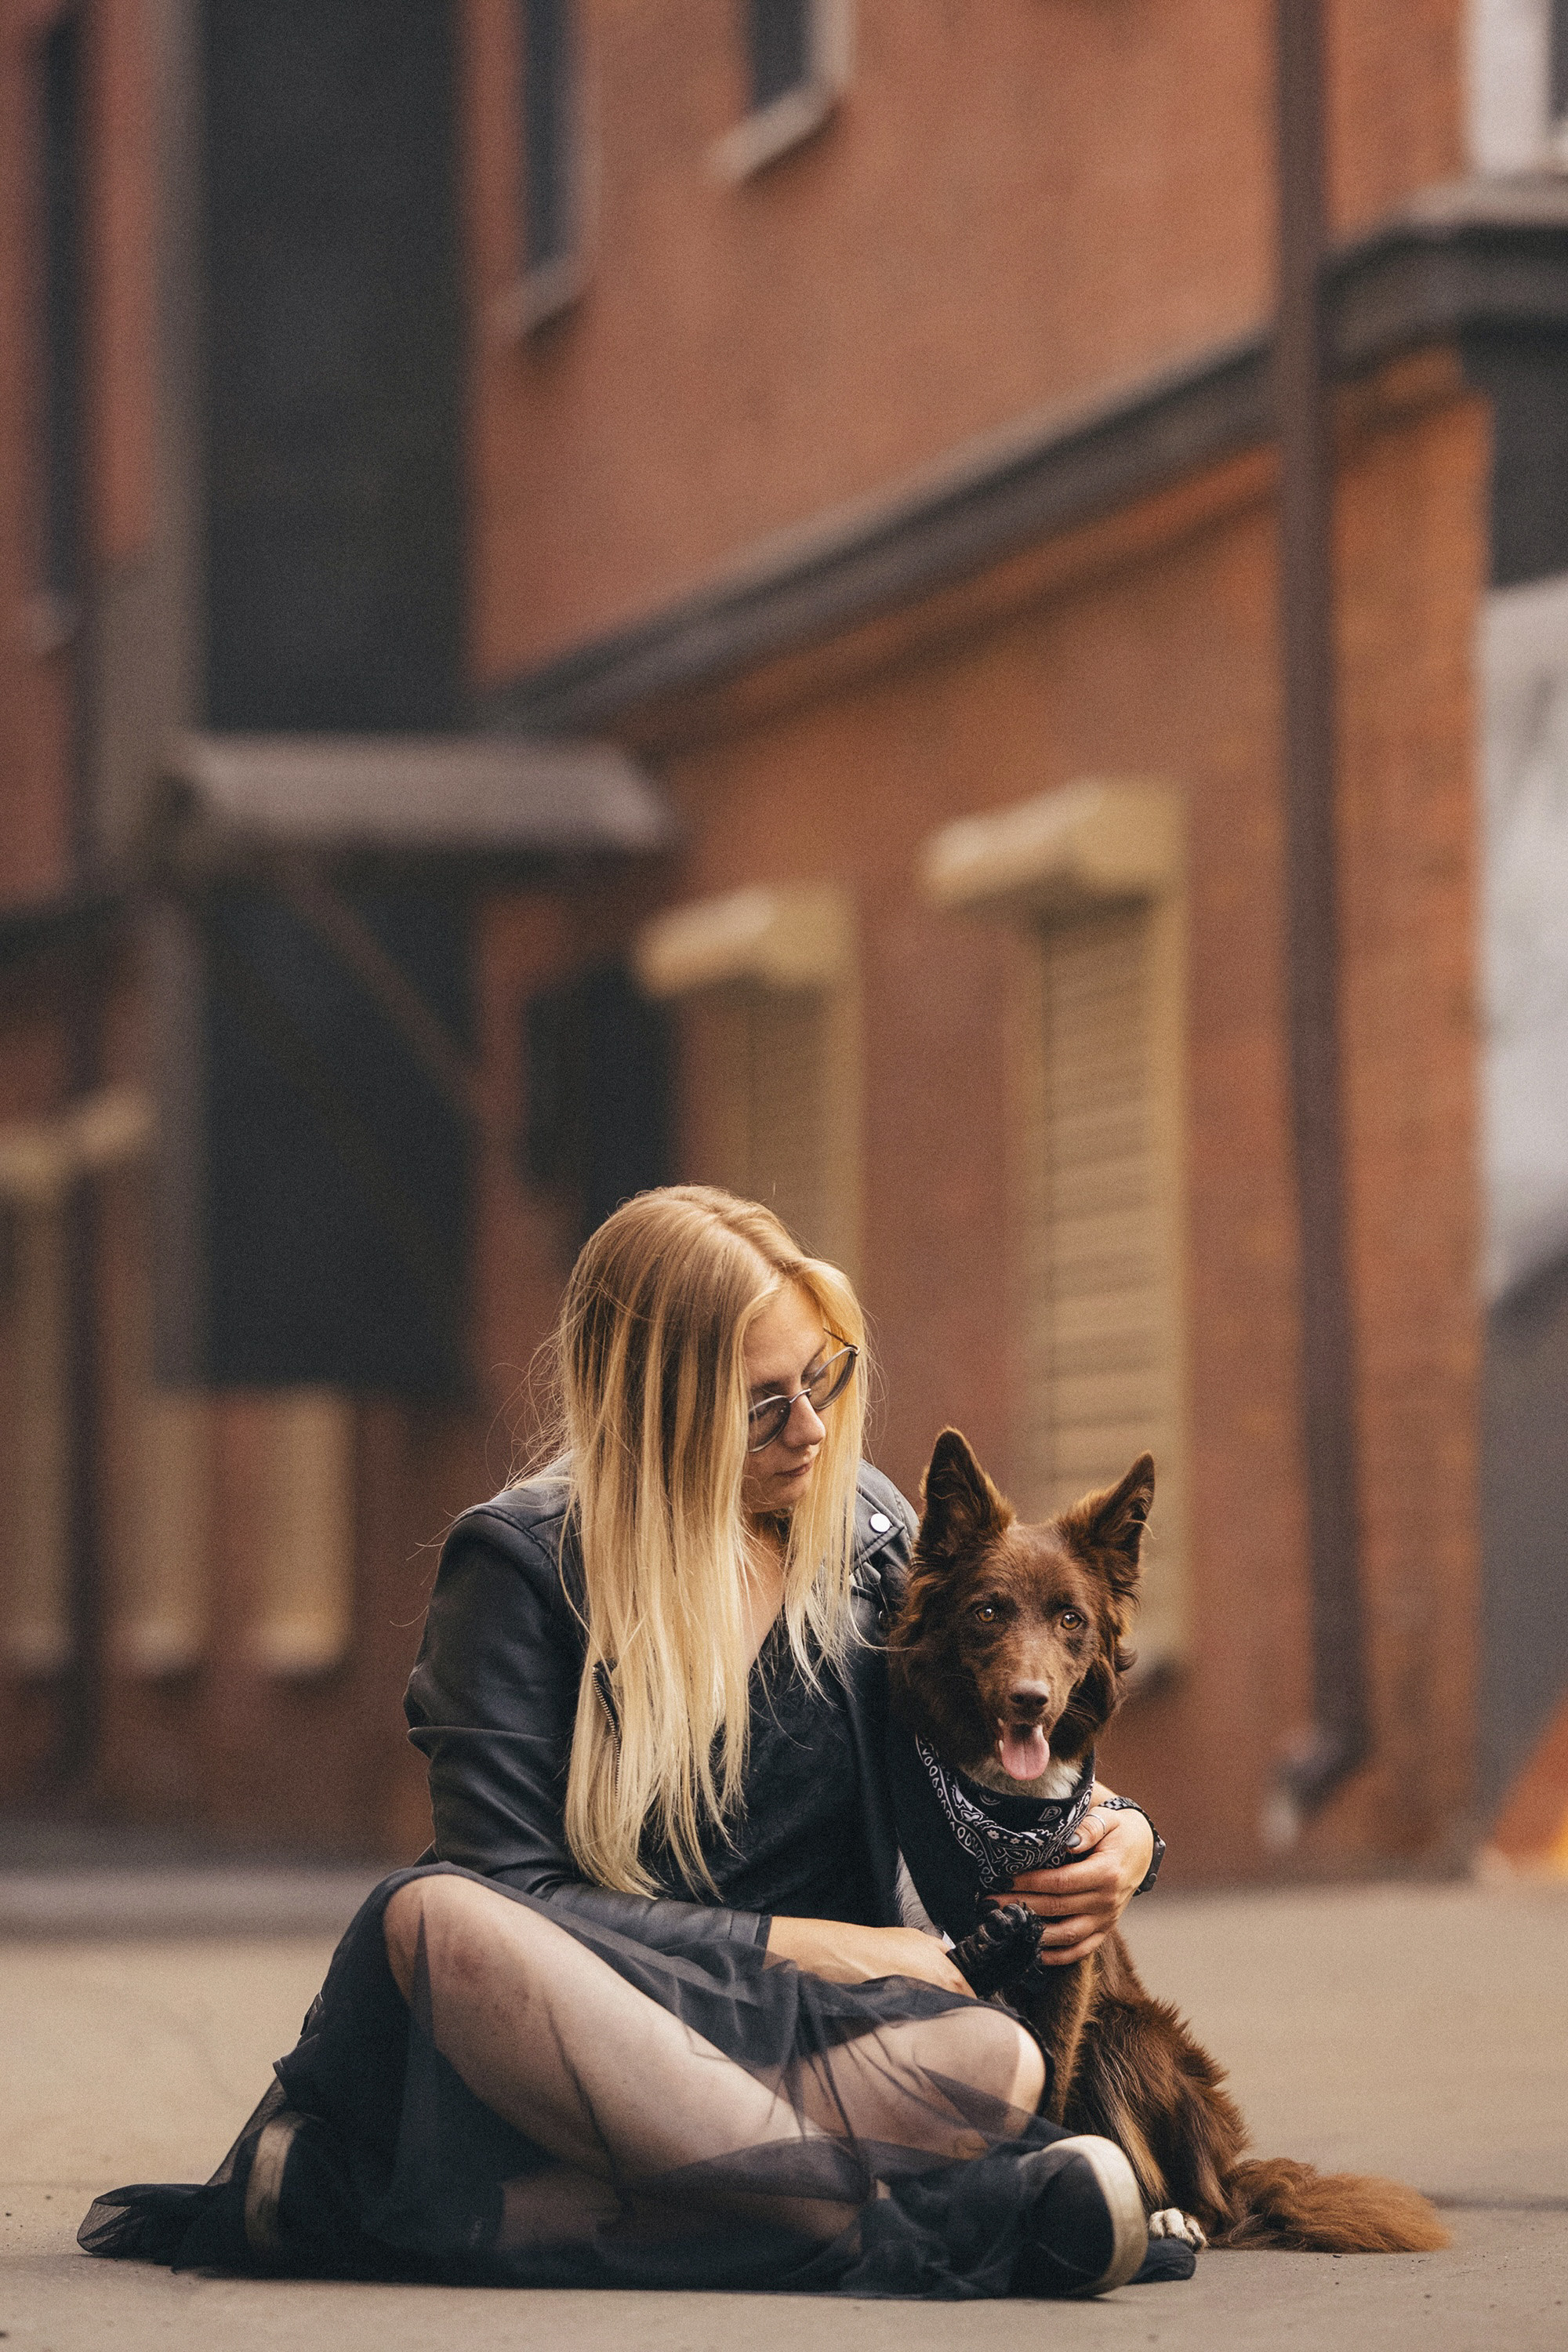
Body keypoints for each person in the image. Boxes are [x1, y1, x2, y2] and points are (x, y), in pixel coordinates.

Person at [81, 1186, 1171, 2299]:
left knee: (995, 2059)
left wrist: (1125, 1833)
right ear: (658, 1404)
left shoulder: (866, 1536)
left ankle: (373, 2211)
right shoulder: (519, 1563)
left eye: (823, 1378)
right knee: (441, 1917)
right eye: (762, 1404)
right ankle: (923, 2227)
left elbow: (988, 1718)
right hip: (560, 2033)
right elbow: (517, 1896)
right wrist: (827, 1947)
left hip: (784, 2036)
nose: (811, 1428)